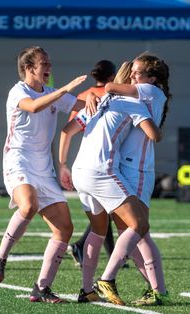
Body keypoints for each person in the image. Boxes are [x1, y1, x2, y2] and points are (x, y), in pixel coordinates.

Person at [0, 46, 87, 304]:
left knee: (65, 228)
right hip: (17, 160)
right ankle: (0, 257)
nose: (49, 67)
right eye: (44, 63)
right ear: (29, 68)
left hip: (44, 168)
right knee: (28, 204)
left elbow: (82, 106)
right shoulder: (18, 91)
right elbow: (32, 107)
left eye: (49, 62)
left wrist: (107, 99)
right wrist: (65, 89)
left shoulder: (53, 93)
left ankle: (41, 288)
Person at [79, 53, 171, 306]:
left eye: (137, 72)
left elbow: (108, 87)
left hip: (135, 169)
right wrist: (90, 95)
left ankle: (108, 279)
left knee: (138, 228)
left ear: (151, 78)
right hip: (128, 167)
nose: (133, 76)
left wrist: (99, 91)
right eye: (131, 73)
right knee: (139, 230)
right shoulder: (138, 96)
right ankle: (157, 289)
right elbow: (99, 94)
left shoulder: (148, 91)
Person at [68, 60, 117, 268]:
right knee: (108, 211)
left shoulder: (84, 94)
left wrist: (62, 163)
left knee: (105, 212)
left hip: (84, 156)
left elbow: (71, 126)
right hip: (103, 159)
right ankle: (84, 247)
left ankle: (113, 254)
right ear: (112, 77)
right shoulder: (112, 95)